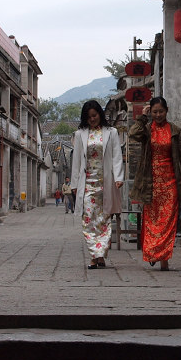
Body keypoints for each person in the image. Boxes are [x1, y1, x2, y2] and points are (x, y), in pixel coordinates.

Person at [129, 96, 181, 271]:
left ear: (167, 111)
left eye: (161, 111)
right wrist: (143, 117)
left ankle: (164, 258)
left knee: (168, 221)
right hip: (151, 182)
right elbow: (133, 133)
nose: (158, 115)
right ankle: (154, 252)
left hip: (170, 180)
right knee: (152, 220)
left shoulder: (175, 131)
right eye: (155, 112)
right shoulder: (147, 130)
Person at [69, 100, 123, 269]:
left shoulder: (111, 132)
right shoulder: (80, 135)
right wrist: (74, 183)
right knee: (88, 219)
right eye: (89, 117)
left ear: (100, 114)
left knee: (104, 219)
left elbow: (116, 156)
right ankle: (94, 255)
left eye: (94, 115)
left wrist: (118, 177)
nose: (92, 119)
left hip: (105, 181)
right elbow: (76, 160)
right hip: (87, 184)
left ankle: (100, 255)